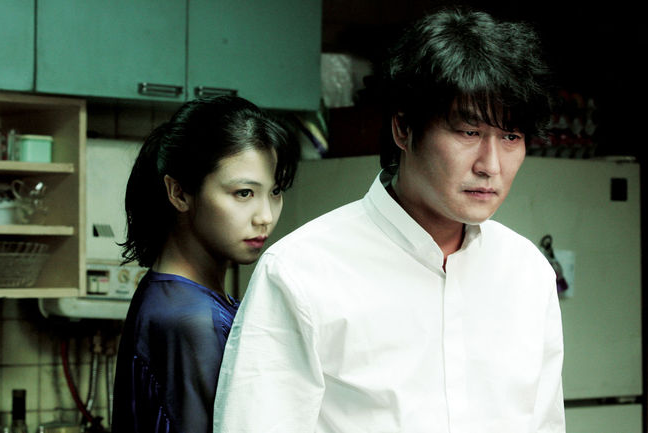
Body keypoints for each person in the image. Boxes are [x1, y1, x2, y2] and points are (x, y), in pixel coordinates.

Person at [213, 7, 565, 433]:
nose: (490, 165)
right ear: (403, 128)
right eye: (469, 132)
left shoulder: (527, 273)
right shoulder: (300, 272)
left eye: (510, 136)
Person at [111, 95, 298, 433]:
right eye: (244, 193)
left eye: (275, 191)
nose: (265, 217)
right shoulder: (191, 319)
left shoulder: (173, 294)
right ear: (179, 193)